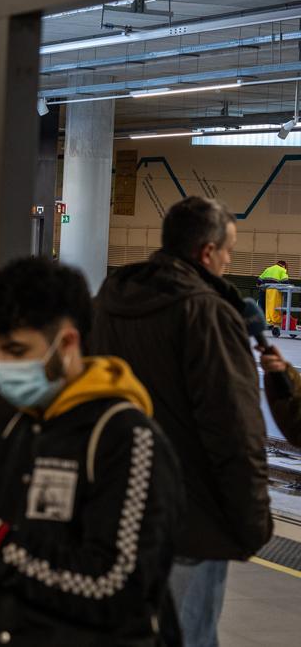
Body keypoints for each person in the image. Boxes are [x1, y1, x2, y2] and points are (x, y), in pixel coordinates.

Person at [0, 256, 181, 646]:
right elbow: (3, 572)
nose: (3, 365)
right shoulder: (22, 428)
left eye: (17, 350)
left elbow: (118, 588)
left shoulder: (125, 437)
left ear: (68, 342)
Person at [92, 196, 272, 647]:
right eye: (228, 252)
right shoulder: (207, 313)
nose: (230, 263)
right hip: (188, 520)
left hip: (114, 506)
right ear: (207, 253)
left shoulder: (108, 303)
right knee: (186, 634)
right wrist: (252, 521)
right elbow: (233, 429)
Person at [257, 260, 290, 328]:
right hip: (273, 290)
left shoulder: (268, 268)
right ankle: (273, 322)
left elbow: (259, 280)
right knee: (272, 306)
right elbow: (285, 281)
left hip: (263, 288)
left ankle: (262, 323)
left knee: (262, 305)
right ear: (284, 266)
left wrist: (259, 285)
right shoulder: (282, 270)